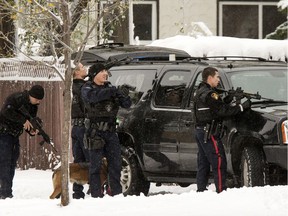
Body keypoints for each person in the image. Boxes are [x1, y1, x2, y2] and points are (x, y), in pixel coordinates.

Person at [194, 67, 251, 193]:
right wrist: (241, 107)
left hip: (201, 131)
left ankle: (201, 191)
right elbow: (222, 111)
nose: (218, 80)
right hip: (209, 133)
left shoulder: (201, 91)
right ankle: (221, 191)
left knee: (203, 163)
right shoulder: (210, 94)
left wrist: (229, 98)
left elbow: (215, 107)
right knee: (219, 162)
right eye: (217, 77)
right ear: (209, 78)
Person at [81, 63, 132, 198]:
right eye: (102, 71)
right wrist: (114, 90)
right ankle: (96, 195)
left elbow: (127, 105)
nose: (105, 73)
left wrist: (124, 94)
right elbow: (94, 97)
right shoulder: (87, 88)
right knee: (95, 167)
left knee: (115, 165)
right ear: (94, 74)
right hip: (95, 133)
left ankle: (116, 194)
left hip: (111, 133)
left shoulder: (110, 88)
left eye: (106, 71)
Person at [0, 85, 45, 199]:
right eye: (37, 99)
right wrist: (22, 120)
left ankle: (6, 191)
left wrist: (32, 131)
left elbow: (30, 122)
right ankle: (5, 193)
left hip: (15, 135)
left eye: (40, 100)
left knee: (11, 163)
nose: (38, 102)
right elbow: (6, 112)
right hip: (3, 133)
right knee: (5, 162)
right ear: (31, 95)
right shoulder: (16, 98)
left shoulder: (34, 106)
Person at [71, 62, 90, 199]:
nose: (86, 69)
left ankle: (77, 191)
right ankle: (95, 187)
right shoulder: (82, 87)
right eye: (83, 68)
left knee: (78, 160)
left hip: (75, 127)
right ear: (76, 72)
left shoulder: (71, 87)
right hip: (83, 126)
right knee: (90, 158)